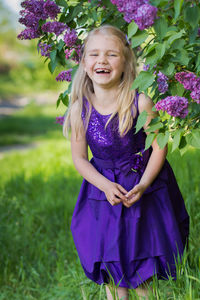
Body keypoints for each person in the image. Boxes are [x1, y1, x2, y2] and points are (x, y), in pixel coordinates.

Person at [63, 25, 189, 300]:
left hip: (142, 189)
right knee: (112, 262)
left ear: (126, 62)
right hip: (103, 192)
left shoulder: (140, 102)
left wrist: (144, 183)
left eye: (111, 54)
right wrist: (105, 185)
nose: (102, 60)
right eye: (94, 54)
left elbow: (159, 145)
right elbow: (80, 159)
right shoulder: (79, 109)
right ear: (84, 62)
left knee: (142, 262)